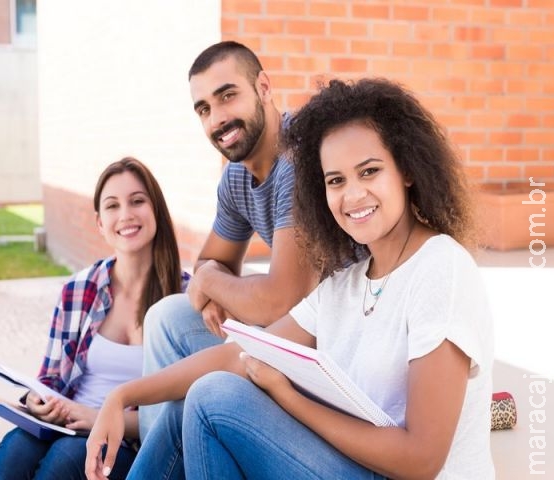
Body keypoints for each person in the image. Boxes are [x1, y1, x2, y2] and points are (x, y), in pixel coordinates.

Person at [85, 78, 494, 480]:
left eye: (369, 172)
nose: (352, 196)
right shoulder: (347, 282)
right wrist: (123, 397)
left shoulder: (440, 268)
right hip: (347, 463)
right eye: (336, 180)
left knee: (213, 398)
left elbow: (420, 461)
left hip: (395, 472)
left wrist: (286, 395)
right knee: (190, 401)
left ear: (406, 169)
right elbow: (238, 356)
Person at [138, 40, 319, 439]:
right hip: (292, 328)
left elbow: (280, 298)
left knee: (177, 332)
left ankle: (174, 450)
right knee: (166, 317)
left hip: (333, 344)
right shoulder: (236, 178)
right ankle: (173, 448)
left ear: (264, 88)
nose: (217, 118)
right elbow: (205, 267)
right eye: (203, 109)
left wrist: (212, 283)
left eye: (227, 96)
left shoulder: (299, 159)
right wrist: (214, 284)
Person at [0, 157, 189, 480]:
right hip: (66, 422)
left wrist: (99, 417)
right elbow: (49, 379)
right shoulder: (78, 290)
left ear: (156, 212)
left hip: (131, 442)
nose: (126, 215)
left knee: (65, 462)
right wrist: (39, 401)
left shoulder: (184, 299)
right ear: (99, 223)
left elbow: (177, 412)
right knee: (13, 451)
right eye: (112, 206)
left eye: (137, 201)